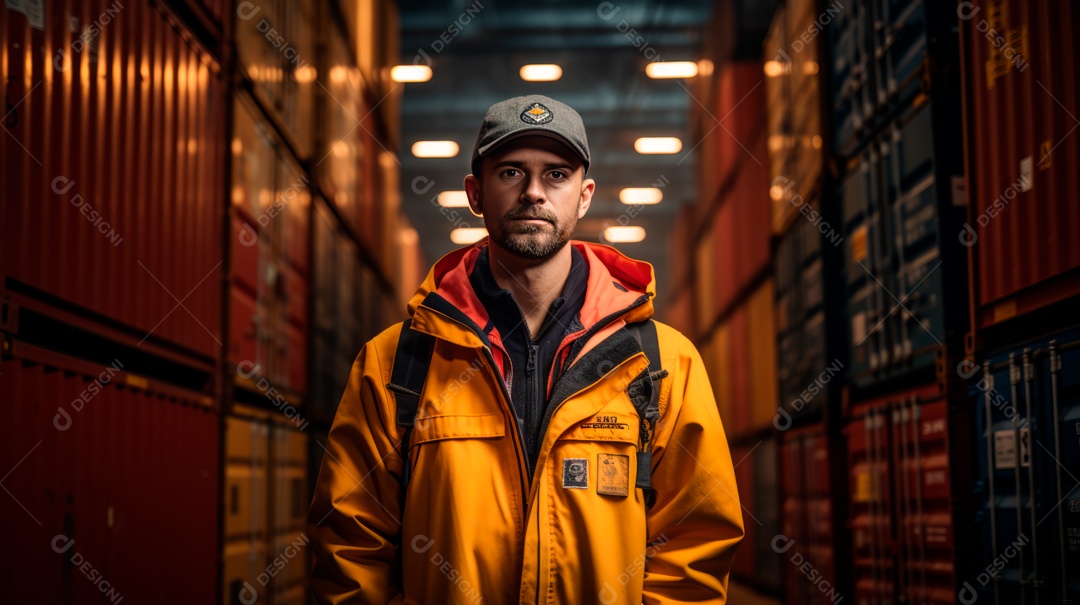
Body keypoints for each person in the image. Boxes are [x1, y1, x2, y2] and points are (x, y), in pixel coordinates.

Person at [308, 94, 744, 604]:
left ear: (584, 196)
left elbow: (695, 548)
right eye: (511, 172)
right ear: (476, 192)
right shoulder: (397, 362)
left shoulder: (662, 363)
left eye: (556, 174)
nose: (534, 192)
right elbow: (349, 550)